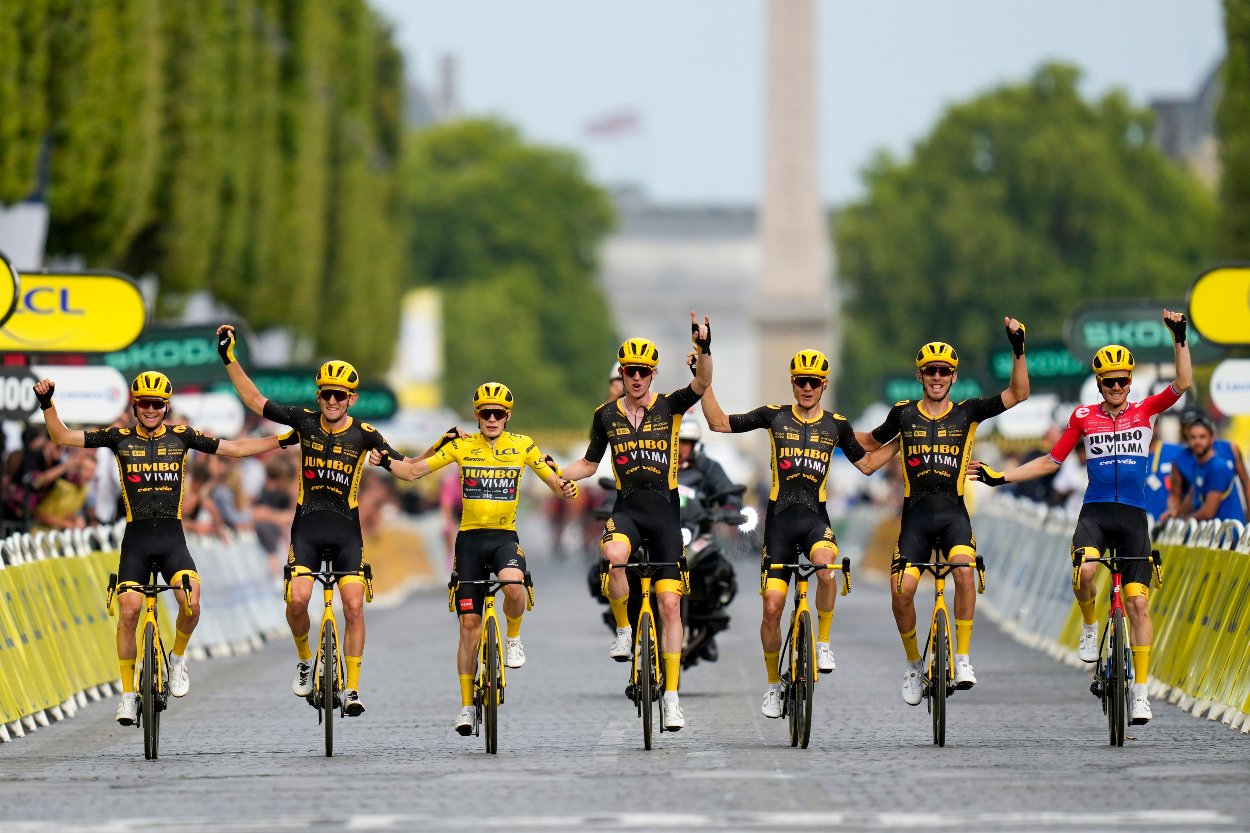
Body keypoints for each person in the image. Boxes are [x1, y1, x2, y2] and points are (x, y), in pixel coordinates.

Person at [971, 309, 1191, 726]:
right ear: (1098, 384)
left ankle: (1141, 694)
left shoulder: (1145, 412)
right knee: (1087, 571)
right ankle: (1091, 627)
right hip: (1093, 513)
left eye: (1122, 380)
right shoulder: (1082, 418)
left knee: (1138, 605)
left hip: (1132, 519)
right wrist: (1002, 477)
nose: (1116, 387)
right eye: (1108, 382)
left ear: (1130, 381)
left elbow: (1182, 384)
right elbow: (1052, 461)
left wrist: (1180, 337)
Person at [32, 371, 282, 725]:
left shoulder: (182, 436)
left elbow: (237, 449)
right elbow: (61, 436)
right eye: (144, 404)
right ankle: (127, 696)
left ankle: (178, 659)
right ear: (135, 406)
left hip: (171, 538)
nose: (150, 409)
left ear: (166, 406)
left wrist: (286, 438)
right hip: (136, 539)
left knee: (191, 601)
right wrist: (47, 403)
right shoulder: (118, 437)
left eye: (157, 404)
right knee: (129, 610)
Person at [699, 349, 898, 718]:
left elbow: (868, 464)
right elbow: (720, 423)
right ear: (793, 383)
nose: (807, 388)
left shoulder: (836, 425)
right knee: (772, 607)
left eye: (814, 382)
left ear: (824, 385)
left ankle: (822, 642)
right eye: (800, 381)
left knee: (826, 567)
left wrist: (901, 441)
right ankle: (774, 685)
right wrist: (704, 383)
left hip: (814, 519)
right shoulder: (774, 416)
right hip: (779, 523)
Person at [369, 382, 576, 734]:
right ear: (477, 415)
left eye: (498, 414)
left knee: (514, 586)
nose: (492, 419)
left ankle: (512, 637)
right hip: (469, 541)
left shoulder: (523, 445)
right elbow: (415, 471)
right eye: (485, 413)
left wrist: (566, 487)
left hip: (504, 538)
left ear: (508, 416)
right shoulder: (462, 446)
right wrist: (386, 461)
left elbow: (555, 481)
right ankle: (466, 706)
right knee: (468, 627)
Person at [217, 324, 399, 717]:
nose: (332, 400)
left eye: (340, 395)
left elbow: (409, 470)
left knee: (353, 606)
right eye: (326, 393)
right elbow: (254, 399)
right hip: (308, 528)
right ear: (319, 395)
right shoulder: (303, 420)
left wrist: (433, 452)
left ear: (351, 398)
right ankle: (304, 658)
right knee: (298, 599)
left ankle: (352, 687)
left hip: (347, 530)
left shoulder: (367, 435)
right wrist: (229, 357)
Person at [858, 317, 1030, 706]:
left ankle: (964, 658)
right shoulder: (903, 414)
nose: (937, 377)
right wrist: (825, 426)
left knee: (965, 572)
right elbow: (869, 443)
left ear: (953, 377)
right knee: (902, 591)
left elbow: (1018, 393)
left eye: (944, 371)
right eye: (930, 371)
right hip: (915, 519)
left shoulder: (969, 411)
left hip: (954, 516)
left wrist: (1018, 349)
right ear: (920, 376)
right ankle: (913, 664)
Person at [555, 312, 713, 731]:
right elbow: (589, 464)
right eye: (630, 372)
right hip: (627, 511)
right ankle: (624, 630)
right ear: (622, 374)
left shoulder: (671, 406)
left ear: (653, 374)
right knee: (614, 554)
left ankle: (673, 698)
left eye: (644, 372)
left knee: (669, 605)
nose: (637, 378)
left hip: (665, 515)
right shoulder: (606, 415)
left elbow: (701, 384)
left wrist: (704, 349)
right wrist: (555, 475)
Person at [1166, 410, 1247, 523]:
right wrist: (1175, 513)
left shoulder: (1219, 465)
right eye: (1193, 437)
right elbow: (1190, 496)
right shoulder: (1196, 464)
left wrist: (1184, 520)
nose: (1197, 441)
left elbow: (1209, 511)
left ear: (1212, 437)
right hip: (1211, 532)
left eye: (1202, 436)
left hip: (1228, 533)